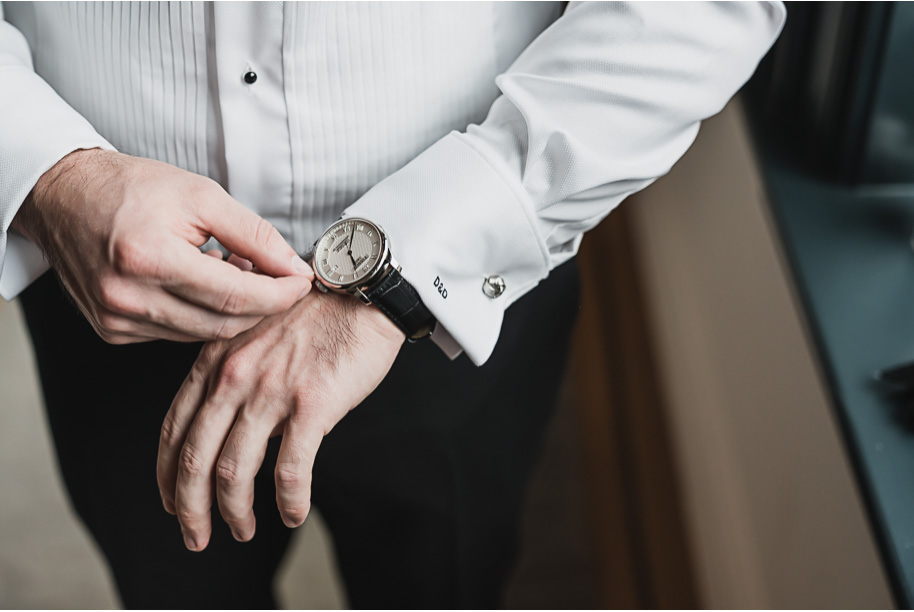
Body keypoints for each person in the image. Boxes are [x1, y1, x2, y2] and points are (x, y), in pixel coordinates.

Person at [0, 2, 786, 608]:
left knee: (445, 580)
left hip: (457, 303)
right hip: (113, 276)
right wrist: (49, 174)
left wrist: (406, 266)